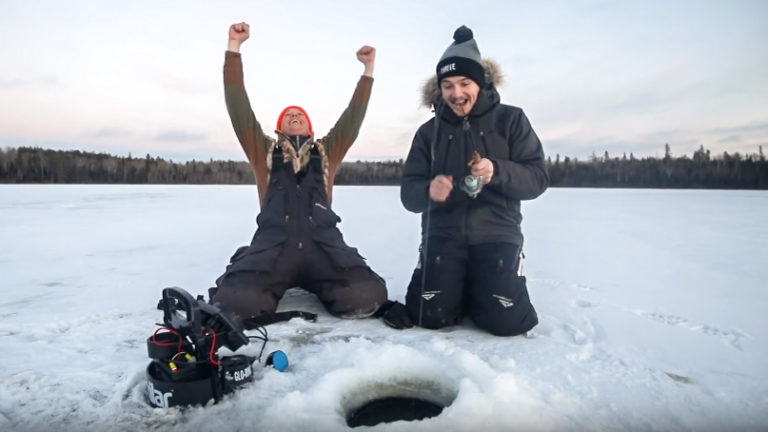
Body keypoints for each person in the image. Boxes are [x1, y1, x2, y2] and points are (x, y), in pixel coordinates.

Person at [211, 22, 387, 320]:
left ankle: (319, 280)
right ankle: (248, 261)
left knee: (365, 297)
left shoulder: (327, 150)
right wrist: (234, 49)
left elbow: (352, 119)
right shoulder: (263, 151)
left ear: (310, 127)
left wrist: (367, 71)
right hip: (273, 249)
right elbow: (238, 106)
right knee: (236, 305)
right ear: (279, 127)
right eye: (288, 116)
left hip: (324, 247)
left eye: (299, 115)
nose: (294, 117)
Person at [386, 25, 549, 336]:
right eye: (447, 85)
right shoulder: (427, 132)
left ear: (481, 83)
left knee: (506, 323)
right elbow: (409, 195)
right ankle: (455, 288)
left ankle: (487, 287)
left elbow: (538, 179)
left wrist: (497, 171)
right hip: (443, 235)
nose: (456, 93)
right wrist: (428, 190)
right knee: (428, 316)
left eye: (464, 83)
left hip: (497, 234)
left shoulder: (511, 120)